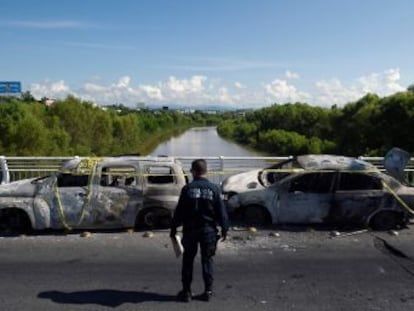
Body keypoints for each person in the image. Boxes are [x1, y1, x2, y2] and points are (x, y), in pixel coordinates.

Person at [170, 159, 229, 302]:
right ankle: (208, 292)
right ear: (206, 171)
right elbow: (221, 212)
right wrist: (225, 229)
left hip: (190, 231)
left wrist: (173, 229)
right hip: (208, 231)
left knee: (188, 260)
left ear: (193, 172)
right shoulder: (214, 189)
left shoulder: (187, 189)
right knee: (207, 260)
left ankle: (186, 292)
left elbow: (179, 212)